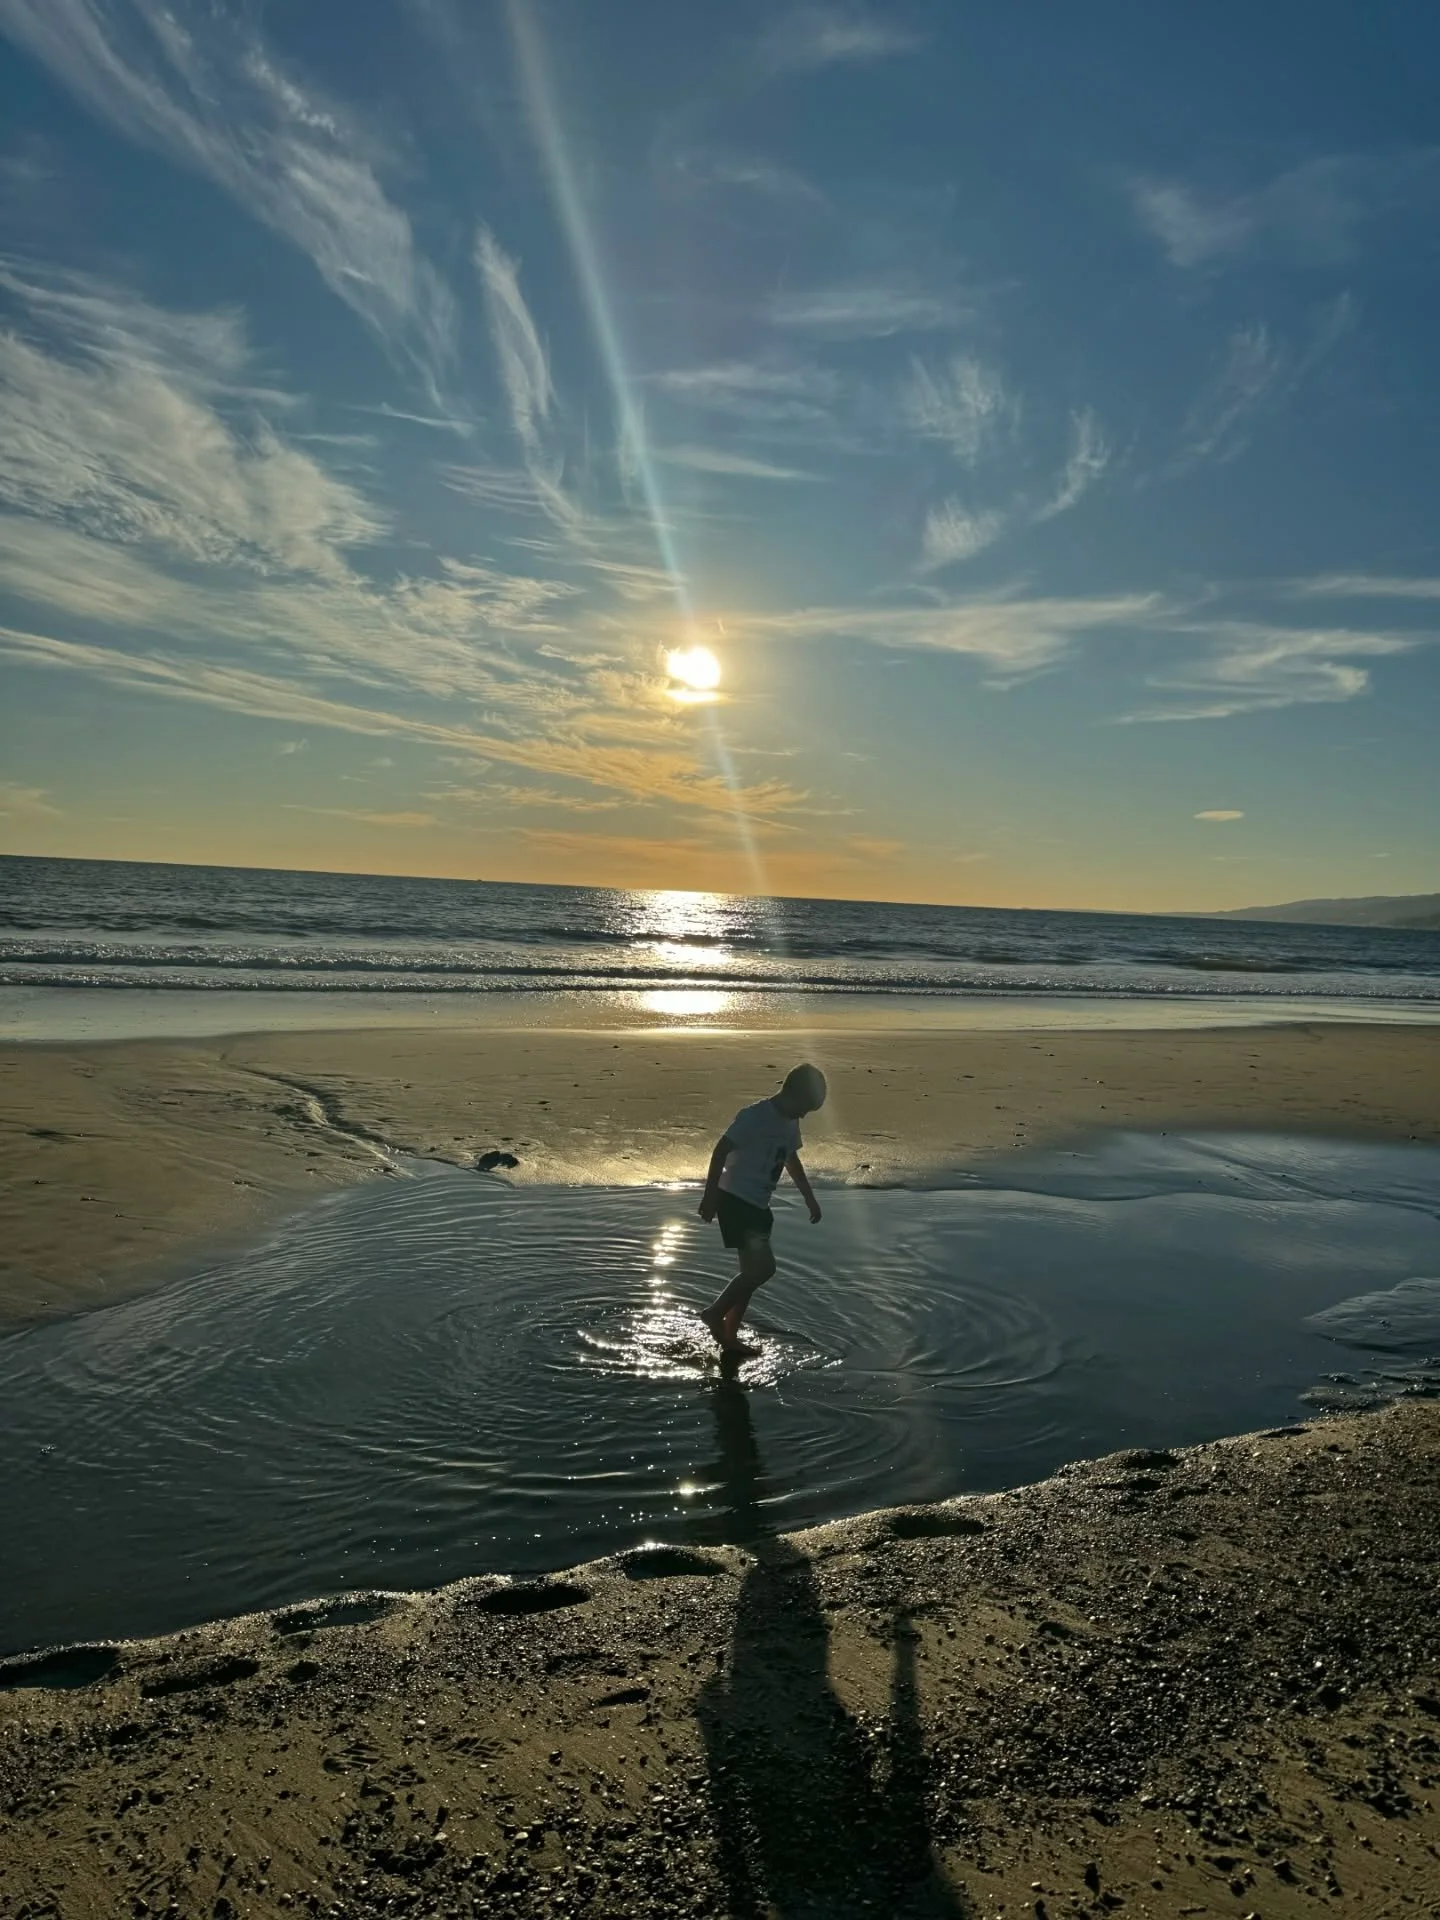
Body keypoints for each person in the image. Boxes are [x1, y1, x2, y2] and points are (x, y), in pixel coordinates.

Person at [698, 1063, 826, 1355]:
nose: (804, 1115)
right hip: (736, 1200)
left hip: (758, 1204)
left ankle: (728, 1336)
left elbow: (790, 1157)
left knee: (750, 1275)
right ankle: (715, 1313)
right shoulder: (754, 1117)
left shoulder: (790, 1122)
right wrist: (710, 1198)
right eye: (804, 1108)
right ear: (790, 1093)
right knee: (764, 1269)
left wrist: (809, 1196)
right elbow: (720, 1151)